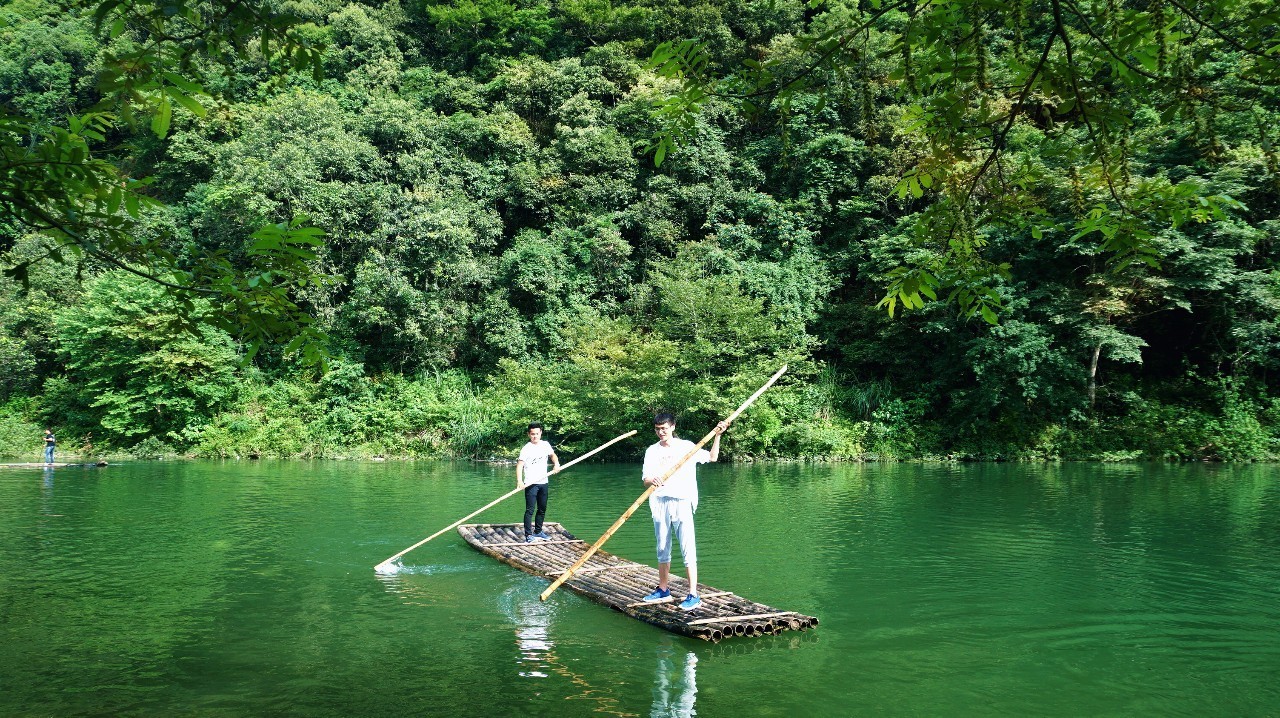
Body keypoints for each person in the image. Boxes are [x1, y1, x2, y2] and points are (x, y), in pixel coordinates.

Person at [641, 413, 728, 611]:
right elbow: (645, 478)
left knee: (688, 547)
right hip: (659, 500)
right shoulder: (651, 451)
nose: (660, 432)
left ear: (672, 427)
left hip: (682, 501)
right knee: (662, 546)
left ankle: (693, 594)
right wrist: (652, 480)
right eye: (657, 429)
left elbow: (712, 458)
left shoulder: (686, 446)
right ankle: (663, 589)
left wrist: (717, 435)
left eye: (664, 428)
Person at [516, 422, 560, 543]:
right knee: (530, 509)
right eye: (532, 434)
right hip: (530, 483)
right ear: (529, 434)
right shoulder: (526, 449)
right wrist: (520, 481)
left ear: (541, 433)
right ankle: (529, 535)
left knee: (542, 508)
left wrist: (556, 464)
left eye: (537, 433)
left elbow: (553, 455)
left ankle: (538, 531)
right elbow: (520, 465)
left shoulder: (545, 445)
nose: (535, 436)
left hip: (543, 481)